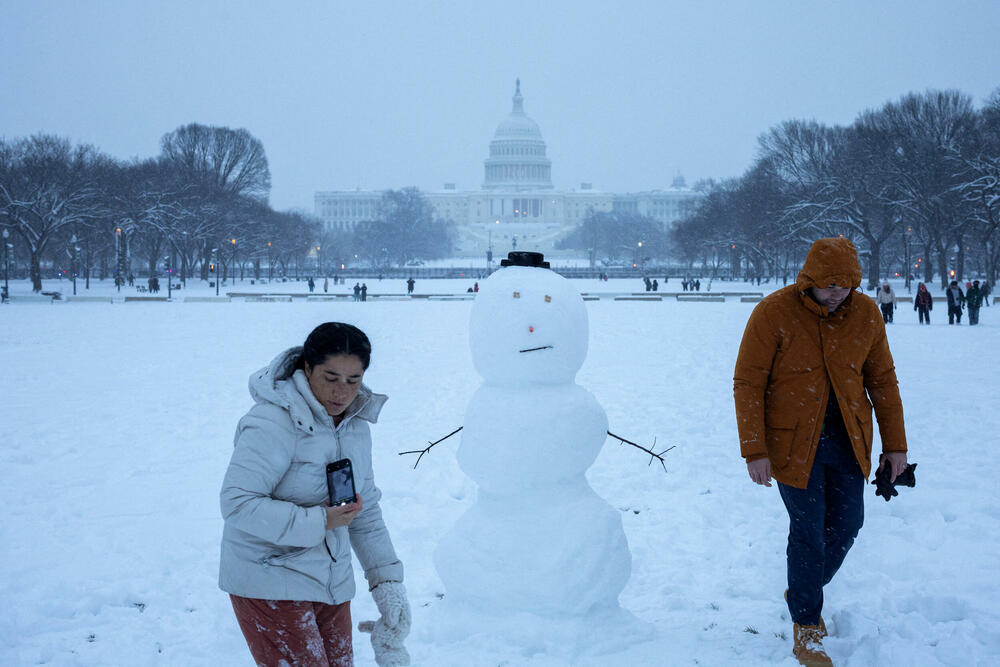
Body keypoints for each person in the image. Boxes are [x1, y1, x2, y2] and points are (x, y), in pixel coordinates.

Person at [734, 238, 909, 666]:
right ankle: (807, 627)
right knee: (808, 533)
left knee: (849, 525)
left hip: (849, 442)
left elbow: (883, 382)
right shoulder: (773, 312)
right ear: (808, 279)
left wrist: (896, 447)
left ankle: (802, 591)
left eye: (846, 285)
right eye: (828, 284)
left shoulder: (866, 314)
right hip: (793, 446)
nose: (836, 293)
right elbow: (748, 383)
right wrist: (754, 450)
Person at [219, 322, 411, 667]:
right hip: (269, 577)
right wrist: (319, 520)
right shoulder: (271, 421)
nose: (342, 392)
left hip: (330, 580)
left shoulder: (355, 425)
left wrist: (387, 583)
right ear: (307, 368)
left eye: (353, 381)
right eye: (331, 378)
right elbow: (237, 503)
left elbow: (363, 511)